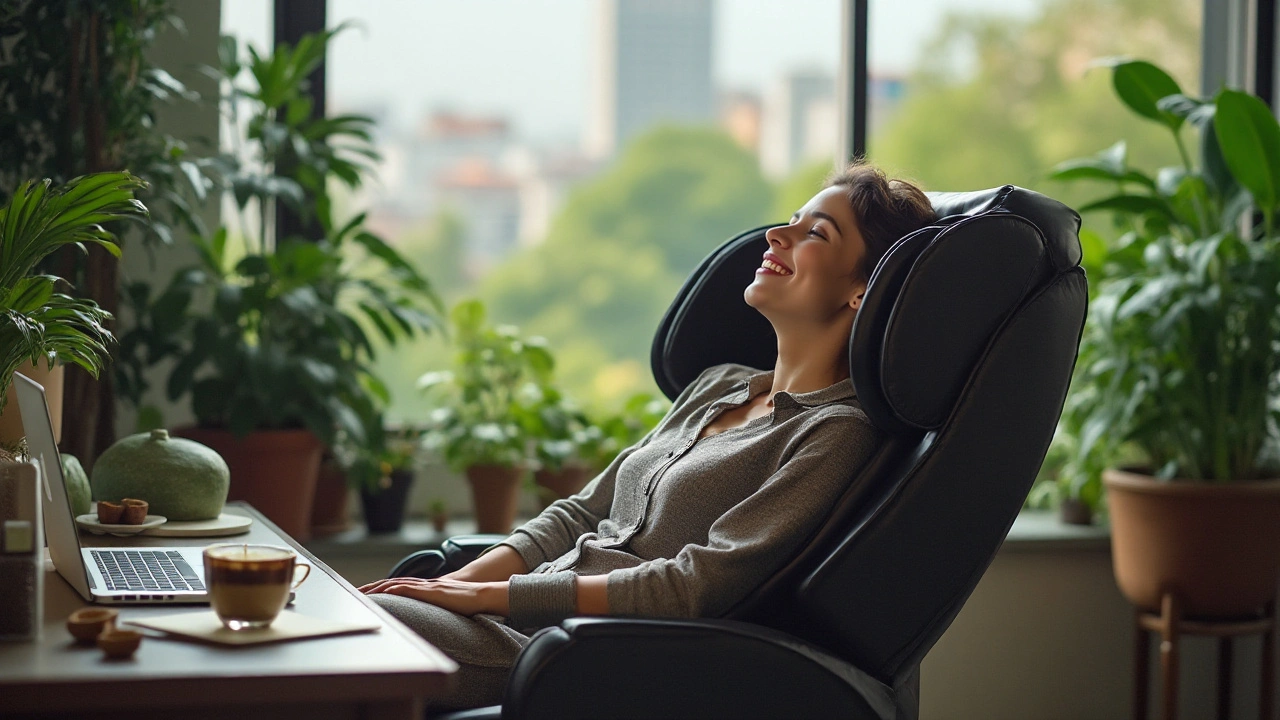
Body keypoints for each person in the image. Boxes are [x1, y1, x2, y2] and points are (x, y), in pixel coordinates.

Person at [359, 161, 939, 710]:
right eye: (788, 221)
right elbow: (580, 515)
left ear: (861, 290)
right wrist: (452, 587)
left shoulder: (835, 434)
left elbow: (695, 588)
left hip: (588, 651)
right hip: (523, 613)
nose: (776, 237)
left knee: (352, 630)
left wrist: (494, 597)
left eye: (815, 232)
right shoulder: (720, 385)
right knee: (345, 612)